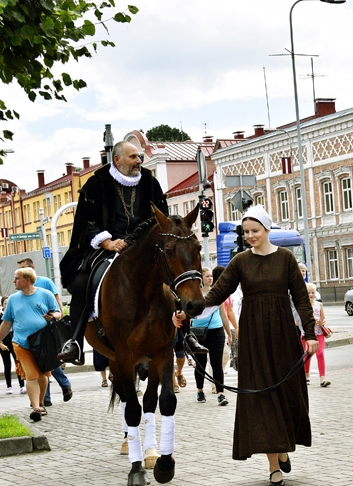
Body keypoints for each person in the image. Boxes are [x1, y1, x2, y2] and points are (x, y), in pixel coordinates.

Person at [175, 205, 317, 486]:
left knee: (286, 393)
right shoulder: (240, 261)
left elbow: (301, 299)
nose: (250, 236)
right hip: (253, 338)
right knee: (261, 398)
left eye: (255, 230)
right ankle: (274, 466)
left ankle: (283, 447)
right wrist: (187, 312)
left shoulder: (286, 258)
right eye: (246, 231)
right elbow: (217, 294)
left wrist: (310, 334)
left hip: (283, 336)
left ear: (267, 229)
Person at [57, 140, 206, 364]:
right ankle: (74, 341)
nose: (139, 161)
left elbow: (163, 219)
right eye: (133, 157)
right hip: (108, 247)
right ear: (117, 160)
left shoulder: (149, 182)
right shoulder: (96, 183)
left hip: (145, 247)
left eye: (139, 157)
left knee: (173, 273)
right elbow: (85, 221)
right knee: (81, 282)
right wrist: (107, 242)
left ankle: (186, 334)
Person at [0, 268, 61, 422]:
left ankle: (41, 403)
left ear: (27, 280)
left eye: (17, 278)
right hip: (21, 343)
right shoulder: (13, 299)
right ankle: (36, 408)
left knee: (43, 374)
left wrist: (52, 316)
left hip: (43, 343)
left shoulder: (46, 294)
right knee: (31, 375)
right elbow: (6, 323)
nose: (13, 281)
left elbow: (58, 313)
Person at [16, 257, 72, 405]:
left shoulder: (45, 282)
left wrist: (58, 317)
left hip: (47, 329)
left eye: (24, 267)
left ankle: (49, 395)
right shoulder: (20, 284)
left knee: (46, 361)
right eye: (19, 268)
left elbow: (56, 300)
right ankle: (45, 397)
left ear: (32, 268)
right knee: (41, 363)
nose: (21, 271)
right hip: (30, 334)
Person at [191, 268, 228, 406]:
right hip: (198, 332)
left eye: (211, 276)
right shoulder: (194, 294)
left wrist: (229, 333)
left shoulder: (217, 293)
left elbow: (223, 315)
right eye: (207, 276)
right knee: (200, 364)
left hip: (216, 331)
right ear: (201, 278)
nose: (210, 278)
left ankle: (220, 393)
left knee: (216, 363)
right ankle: (200, 390)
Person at [0, 296, 26, 395]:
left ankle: (22, 385)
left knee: (18, 363)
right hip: (3, 344)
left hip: (15, 342)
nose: (8, 305)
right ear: (2, 305)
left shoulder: (15, 315)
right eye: (5, 303)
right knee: (7, 364)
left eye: (9, 303)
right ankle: (9, 386)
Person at [303, 283, 330, 387]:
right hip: (307, 334)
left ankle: (322, 379)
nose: (311, 294)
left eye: (313, 292)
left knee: (320, 354)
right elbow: (299, 320)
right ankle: (307, 375)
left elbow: (323, 318)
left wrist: (322, 322)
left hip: (319, 333)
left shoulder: (319, 305)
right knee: (307, 355)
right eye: (308, 292)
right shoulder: (303, 306)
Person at [213, 265, 238, 374]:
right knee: (216, 355)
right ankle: (215, 377)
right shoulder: (213, 291)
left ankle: (219, 371)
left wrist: (236, 327)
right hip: (215, 327)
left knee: (226, 354)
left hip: (225, 325)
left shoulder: (226, 292)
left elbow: (229, 311)